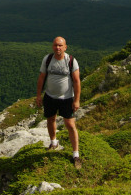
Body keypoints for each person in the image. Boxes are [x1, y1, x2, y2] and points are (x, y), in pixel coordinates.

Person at [36, 36, 82, 169]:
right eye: (56, 45)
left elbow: (77, 81)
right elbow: (41, 77)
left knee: (70, 124)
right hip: (50, 96)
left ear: (65, 47)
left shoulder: (71, 61)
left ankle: (76, 154)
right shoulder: (48, 59)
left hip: (67, 98)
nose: (58, 48)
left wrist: (77, 100)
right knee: (50, 119)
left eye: (60, 45)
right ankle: (53, 142)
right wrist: (39, 95)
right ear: (52, 46)